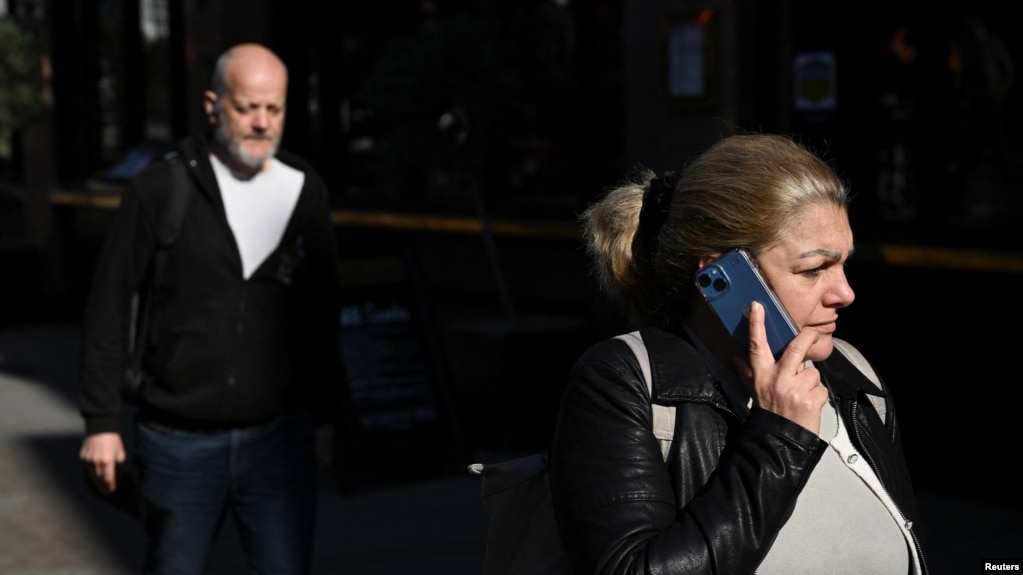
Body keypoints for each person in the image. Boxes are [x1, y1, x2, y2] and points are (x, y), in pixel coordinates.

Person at [549, 133, 928, 574]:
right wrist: (780, 437)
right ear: (723, 276)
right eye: (813, 270)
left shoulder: (852, 375)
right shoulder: (622, 382)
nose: (845, 293)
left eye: (844, 264)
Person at [77, 43, 342, 574]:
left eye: (275, 108)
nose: (263, 123)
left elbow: (320, 317)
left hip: (278, 441)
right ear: (212, 104)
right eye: (248, 107)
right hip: (178, 444)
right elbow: (108, 304)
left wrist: (326, 419)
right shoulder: (161, 188)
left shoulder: (303, 190)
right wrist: (101, 422)